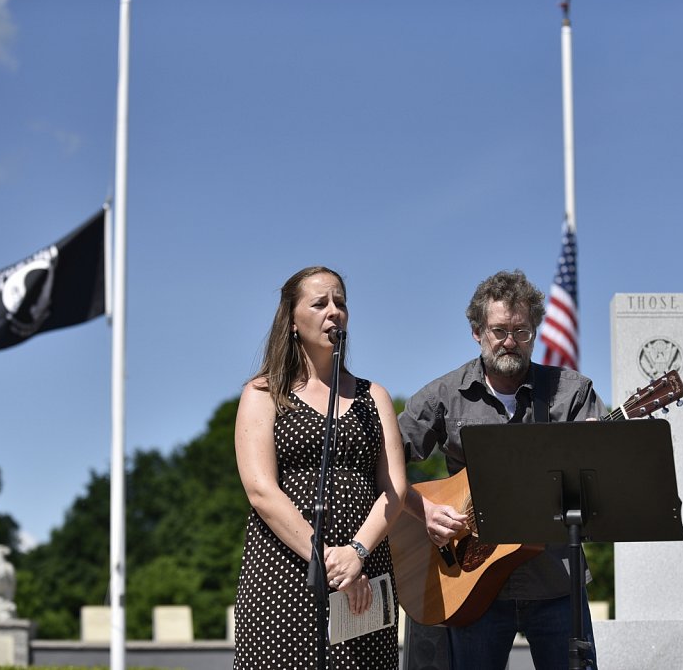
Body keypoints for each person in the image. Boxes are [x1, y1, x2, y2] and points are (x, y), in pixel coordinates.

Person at [398, 269, 605, 669]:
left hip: (555, 580)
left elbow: (603, 485)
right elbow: (379, 459)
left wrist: (599, 451)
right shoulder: (444, 396)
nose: (510, 341)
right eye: (498, 330)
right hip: (469, 583)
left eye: (521, 331)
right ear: (477, 332)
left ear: (536, 331)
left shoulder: (571, 392)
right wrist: (420, 510)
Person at [232, 266, 408, 669]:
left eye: (341, 303)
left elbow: (395, 488)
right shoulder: (264, 393)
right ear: (292, 320)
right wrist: (329, 558)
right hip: (287, 573)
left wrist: (357, 553)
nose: (335, 312)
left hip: (364, 570)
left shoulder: (373, 396)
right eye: (320, 303)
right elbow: (260, 489)